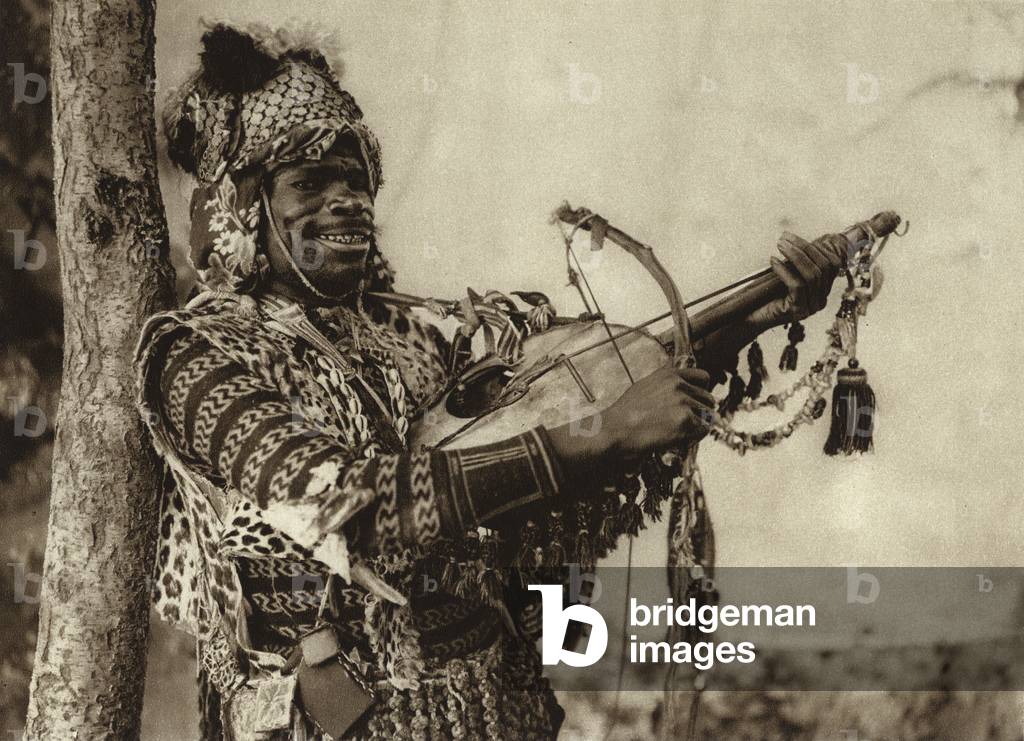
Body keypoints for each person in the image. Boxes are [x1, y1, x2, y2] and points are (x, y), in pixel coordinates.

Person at [136, 23, 841, 740]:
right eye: (310, 182)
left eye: (356, 177)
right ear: (246, 207)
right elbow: (345, 506)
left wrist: (754, 320)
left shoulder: (417, 340)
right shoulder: (197, 356)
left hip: (492, 706)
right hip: (327, 722)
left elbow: (544, 460)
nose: (347, 199)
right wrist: (603, 430)